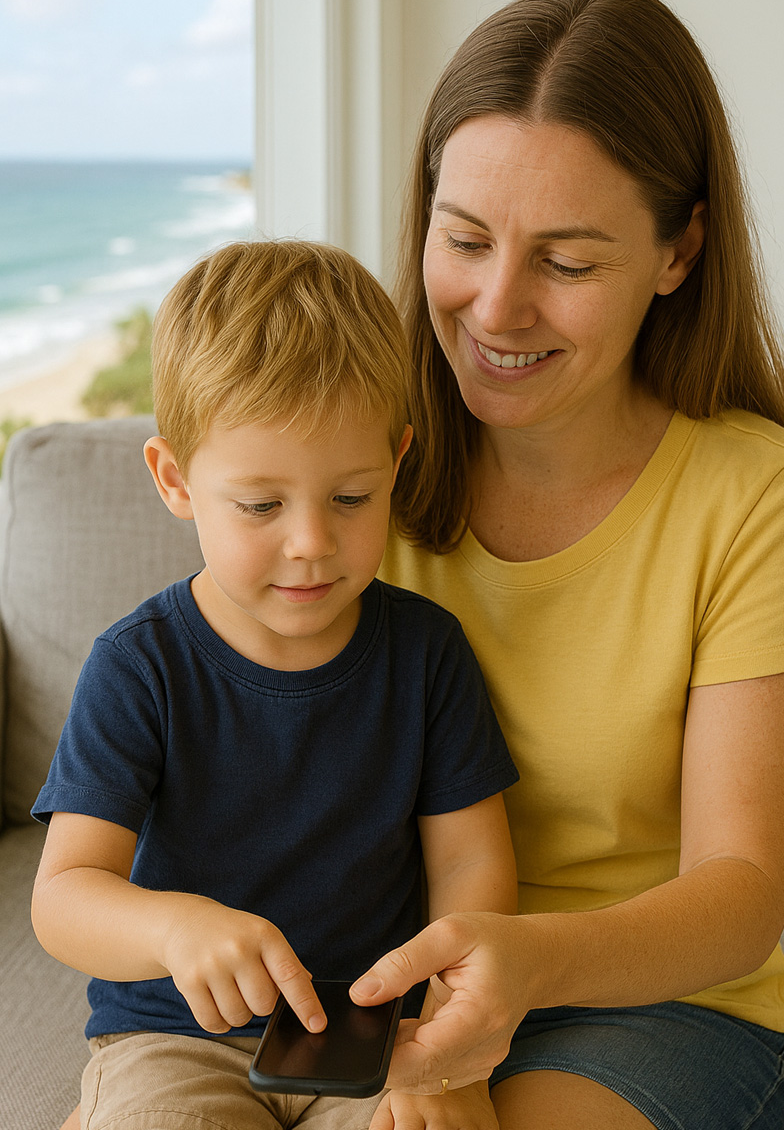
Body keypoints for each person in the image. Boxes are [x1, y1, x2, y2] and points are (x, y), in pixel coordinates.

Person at [348, 0, 784, 1130]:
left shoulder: (754, 494)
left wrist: (524, 966)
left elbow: (741, 894)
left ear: (675, 251)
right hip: (381, 982)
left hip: (657, 1003)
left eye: (565, 262)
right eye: (464, 240)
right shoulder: (351, 467)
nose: (495, 309)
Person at [31, 239, 520, 1130]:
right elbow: (64, 897)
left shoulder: (426, 653)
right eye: (261, 505)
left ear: (398, 463)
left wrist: (447, 1054)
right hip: (176, 1039)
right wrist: (174, 929)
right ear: (176, 481)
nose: (311, 543)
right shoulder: (139, 665)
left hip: (374, 1033)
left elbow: (469, 862)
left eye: (350, 498)